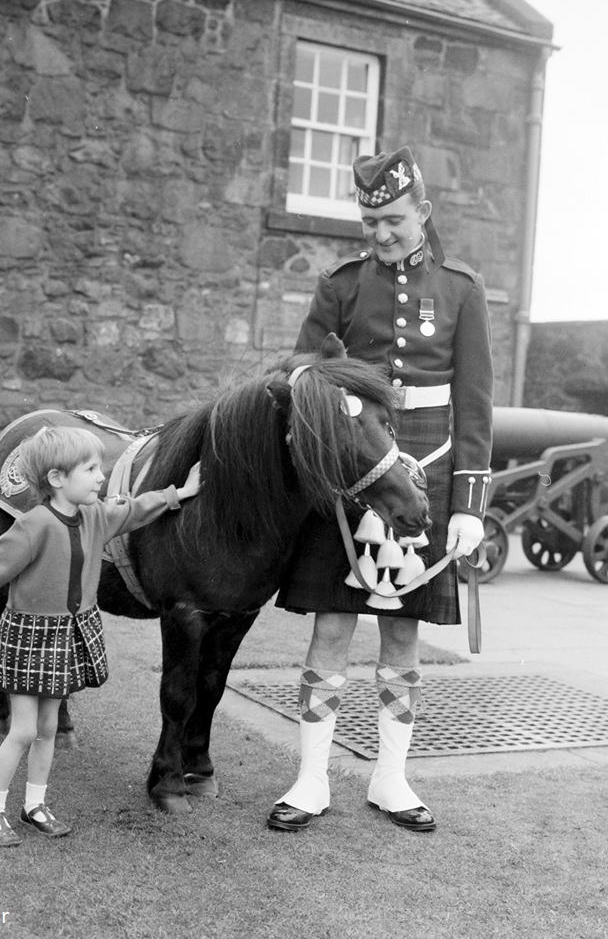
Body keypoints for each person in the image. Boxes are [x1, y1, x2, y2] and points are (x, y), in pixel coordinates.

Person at [267, 146, 493, 833]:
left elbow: (475, 404)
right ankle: (310, 780)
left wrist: (470, 508)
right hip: (349, 473)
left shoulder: (462, 289)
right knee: (331, 625)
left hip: (425, 473)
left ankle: (390, 779)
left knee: (402, 630)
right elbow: (299, 368)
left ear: (423, 211)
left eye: (394, 219)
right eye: (371, 223)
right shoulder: (340, 285)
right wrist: (323, 377)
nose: (382, 233)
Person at [0, 425, 201, 847]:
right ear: (57, 478)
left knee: (48, 728)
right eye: (91, 469)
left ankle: (34, 805)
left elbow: (135, 509)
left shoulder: (94, 516)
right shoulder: (34, 526)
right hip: (29, 639)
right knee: (23, 731)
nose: (102, 477)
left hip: (66, 636)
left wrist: (180, 493)